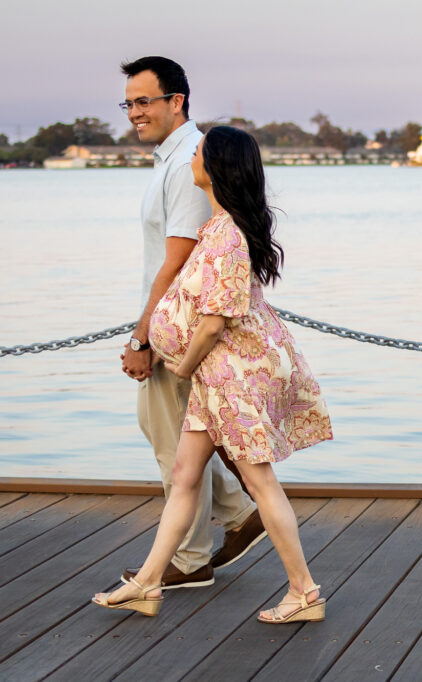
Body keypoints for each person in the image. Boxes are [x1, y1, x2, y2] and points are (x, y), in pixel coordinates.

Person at [93, 125, 334, 623]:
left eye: (198, 153)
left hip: (231, 378)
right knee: (184, 477)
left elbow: (214, 321)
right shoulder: (218, 226)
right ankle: (147, 582)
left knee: (261, 484)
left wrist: (178, 362)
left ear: (217, 165)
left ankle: (304, 591)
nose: (191, 160)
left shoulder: (226, 236)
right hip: (214, 378)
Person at [117, 56, 266, 590]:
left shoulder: (186, 163)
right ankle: (234, 513)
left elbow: (176, 262)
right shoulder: (173, 160)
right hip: (169, 324)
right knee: (178, 435)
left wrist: (142, 337)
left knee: (168, 443)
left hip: (171, 332)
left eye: (144, 101)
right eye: (129, 102)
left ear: (176, 100)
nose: (135, 112)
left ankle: (189, 558)